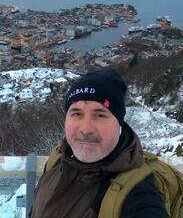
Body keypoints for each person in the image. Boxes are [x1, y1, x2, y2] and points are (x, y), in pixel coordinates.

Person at [31, 69, 169, 218]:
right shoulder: (57, 159)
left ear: (119, 124)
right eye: (76, 113)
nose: (86, 129)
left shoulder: (136, 193)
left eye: (100, 115)